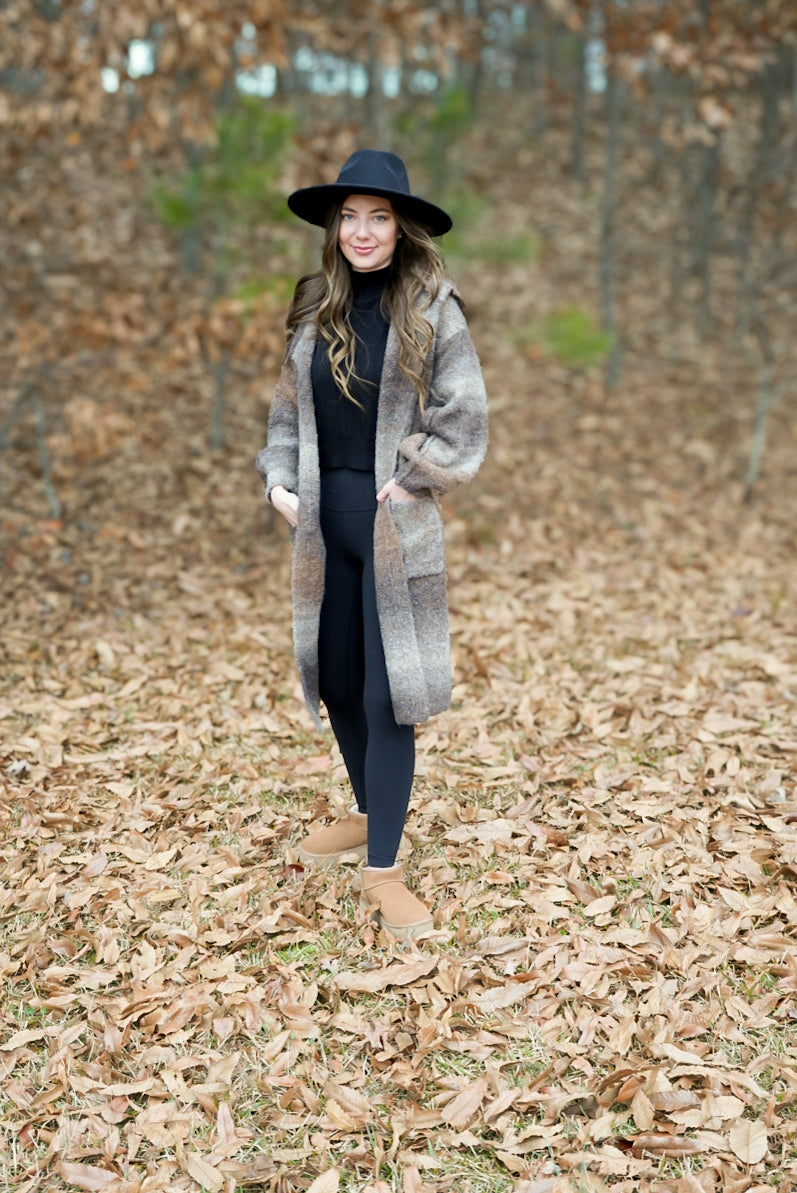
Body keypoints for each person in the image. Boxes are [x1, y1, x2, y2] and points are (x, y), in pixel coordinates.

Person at [256, 149, 487, 940]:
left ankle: (383, 870)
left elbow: (464, 416)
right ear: (334, 226)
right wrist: (278, 482)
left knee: (390, 699)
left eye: (378, 217)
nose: (362, 230)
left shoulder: (430, 308)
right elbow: (287, 415)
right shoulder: (314, 305)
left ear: (401, 228)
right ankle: (366, 811)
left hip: (392, 525)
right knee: (341, 685)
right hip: (320, 526)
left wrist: (414, 476)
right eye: (349, 216)